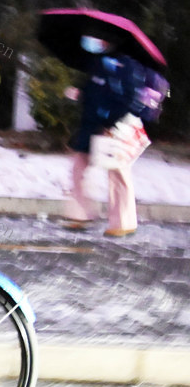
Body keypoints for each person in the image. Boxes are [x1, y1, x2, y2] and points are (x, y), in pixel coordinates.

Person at [63, 35, 148, 237]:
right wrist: (79, 93)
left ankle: (123, 223)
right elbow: (93, 89)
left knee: (118, 174)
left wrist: (111, 121)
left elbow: (131, 99)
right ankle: (80, 215)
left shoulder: (126, 65)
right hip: (90, 125)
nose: (94, 41)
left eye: (99, 38)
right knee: (78, 168)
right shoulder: (97, 62)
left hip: (112, 127)